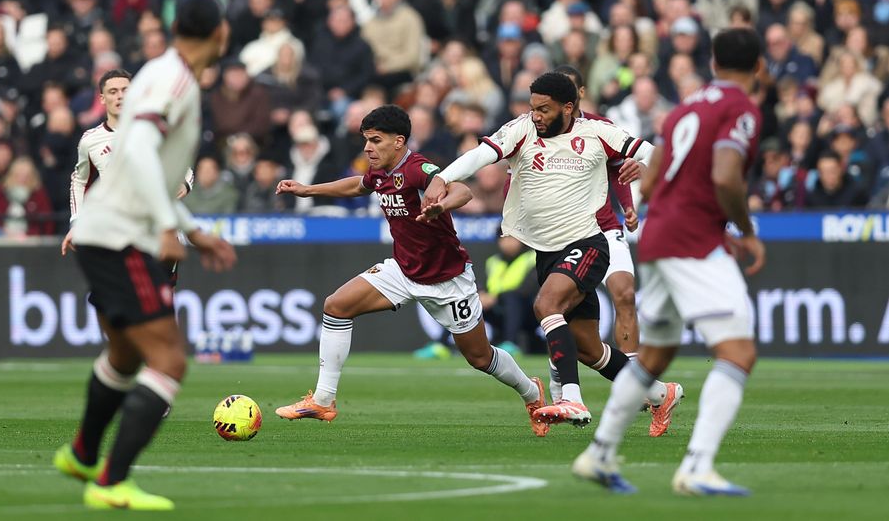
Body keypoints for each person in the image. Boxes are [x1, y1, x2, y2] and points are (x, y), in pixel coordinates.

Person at [51, 0, 236, 510]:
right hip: (120, 235)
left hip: (110, 231)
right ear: (219, 34)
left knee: (127, 353)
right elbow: (136, 152)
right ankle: (110, 482)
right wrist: (166, 226)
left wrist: (192, 230)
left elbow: (152, 164)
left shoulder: (165, 76)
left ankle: (84, 453)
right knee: (169, 360)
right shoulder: (173, 80)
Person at [423, 72, 680, 435]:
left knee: (547, 306)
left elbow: (657, 154)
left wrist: (649, 168)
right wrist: (442, 178)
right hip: (546, 252)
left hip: (588, 244)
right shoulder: (521, 129)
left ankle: (571, 399)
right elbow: (481, 156)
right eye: (533, 108)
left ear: (569, 107)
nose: (537, 115)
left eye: (544, 109)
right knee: (590, 350)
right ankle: (660, 393)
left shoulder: (598, 132)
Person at [274, 105, 548, 437]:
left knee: (480, 357)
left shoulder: (418, 168)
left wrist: (441, 205)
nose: (367, 148)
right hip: (403, 271)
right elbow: (359, 186)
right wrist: (308, 190)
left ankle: (532, 394)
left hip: (449, 281)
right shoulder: (379, 171)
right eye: (366, 141)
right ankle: (323, 400)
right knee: (336, 306)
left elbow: (462, 189)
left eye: (375, 141)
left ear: (399, 141)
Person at [572, 27, 765, 497]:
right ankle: (698, 466)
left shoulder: (685, 108)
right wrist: (742, 227)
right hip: (691, 241)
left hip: (658, 236)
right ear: (759, 67)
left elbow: (654, 184)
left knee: (654, 355)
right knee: (738, 352)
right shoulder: (741, 108)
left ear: (714, 63)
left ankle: (598, 455)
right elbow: (725, 174)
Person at [62, 68, 195, 288]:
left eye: (125, 90)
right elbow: (79, 180)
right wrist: (76, 221)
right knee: (119, 300)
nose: (120, 96)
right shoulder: (90, 140)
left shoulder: (154, 128)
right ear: (102, 99)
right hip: (115, 227)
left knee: (161, 295)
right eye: (113, 91)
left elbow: (182, 160)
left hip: (156, 224)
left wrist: (185, 182)